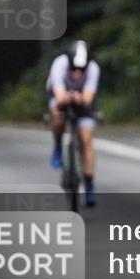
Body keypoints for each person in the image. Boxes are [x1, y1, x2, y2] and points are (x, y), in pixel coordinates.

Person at [47, 40, 101, 206]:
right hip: (60, 95)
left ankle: (89, 183)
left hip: (82, 101)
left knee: (86, 139)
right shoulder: (59, 64)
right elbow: (60, 95)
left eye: (81, 70)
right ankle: (57, 145)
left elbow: (88, 98)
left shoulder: (93, 68)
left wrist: (80, 98)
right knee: (58, 116)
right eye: (73, 69)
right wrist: (70, 97)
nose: (77, 73)